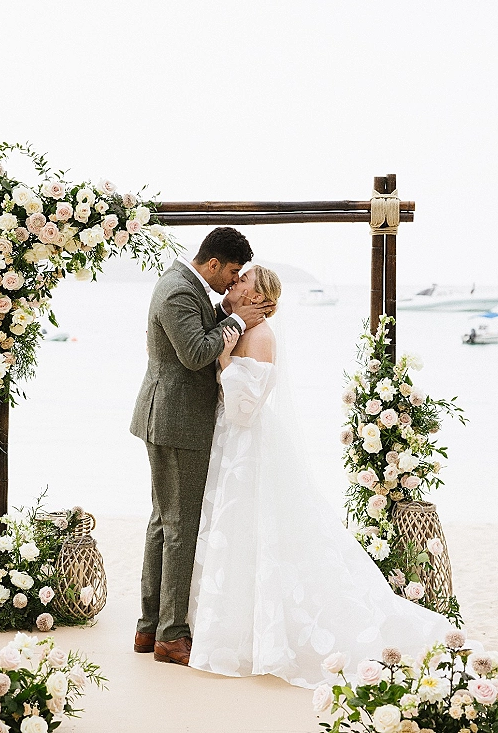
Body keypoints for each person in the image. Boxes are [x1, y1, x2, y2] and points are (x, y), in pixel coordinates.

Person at [188, 265, 450, 688]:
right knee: (234, 534)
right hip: (231, 447)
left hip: (246, 446)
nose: (233, 284)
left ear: (256, 299)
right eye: (235, 280)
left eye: (242, 283)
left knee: (256, 530)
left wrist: (222, 357)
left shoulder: (260, 336)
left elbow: (242, 408)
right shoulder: (237, 327)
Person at [130, 228, 275, 666]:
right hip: (177, 423)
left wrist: (231, 317)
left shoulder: (186, 286)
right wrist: (237, 321)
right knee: (179, 527)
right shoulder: (177, 291)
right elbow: (196, 353)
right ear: (212, 264)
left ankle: (149, 626)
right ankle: (171, 636)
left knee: (163, 522)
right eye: (231, 273)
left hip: (171, 420)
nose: (232, 283)